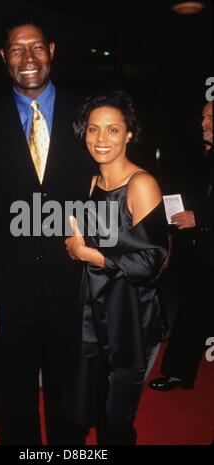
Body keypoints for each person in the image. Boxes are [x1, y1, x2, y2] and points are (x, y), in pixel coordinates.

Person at [0, 16, 94, 444]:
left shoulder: (90, 117)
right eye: (17, 49)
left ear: (51, 50)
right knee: (12, 396)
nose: (28, 58)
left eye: (36, 47)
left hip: (74, 284)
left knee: (70, 395)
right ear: (4, 58)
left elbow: (110, 193)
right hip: (8, 288)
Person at [63, 91, 169, 444]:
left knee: (116, 419)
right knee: (90, 406)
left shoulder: (142, 184)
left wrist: (88, 254)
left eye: (112, 130)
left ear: (128, 134)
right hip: (95, 314)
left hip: (132, 320)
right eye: (94, 129)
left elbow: (153, 262)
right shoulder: (93, 184)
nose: (101, 139)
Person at [149, 100, 213, 391]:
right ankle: (179, 373)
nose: (203, 123)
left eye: (210, 117)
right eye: (203, 117)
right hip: (202, 250)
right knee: (191, 309)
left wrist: (200, 215)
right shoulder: (203, 154)